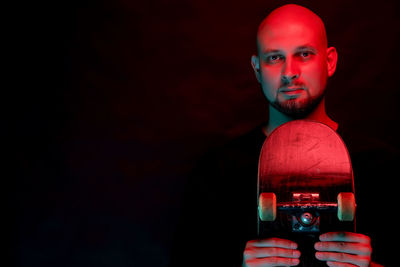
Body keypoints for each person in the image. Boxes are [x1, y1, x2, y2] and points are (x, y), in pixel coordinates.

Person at [170, 4, 395, 267]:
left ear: (329, 61)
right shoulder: (217, 173)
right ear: (257, 69)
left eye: (304, 54)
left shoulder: (384, 167)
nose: (290, 73)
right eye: (275, 58)